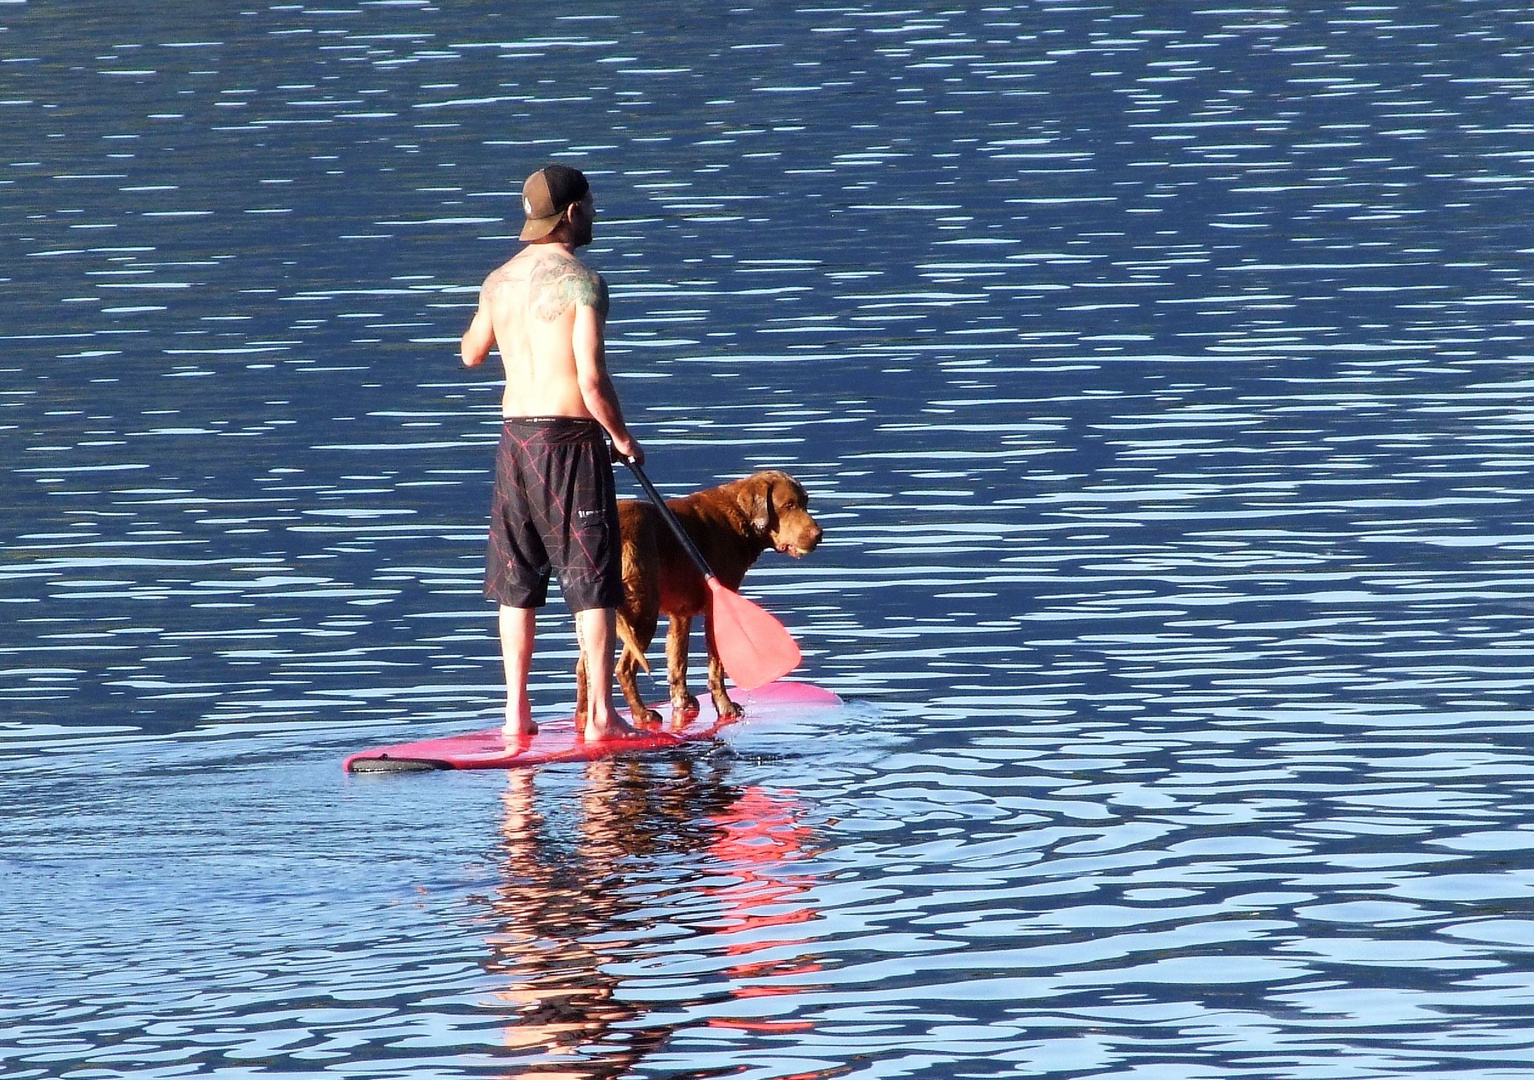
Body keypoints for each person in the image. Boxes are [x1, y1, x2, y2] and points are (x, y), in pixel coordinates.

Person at [460, 164, 645, 742]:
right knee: (593, 581)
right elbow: (590, 379)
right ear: (571, 214)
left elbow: (470, 353)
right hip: (569, 441)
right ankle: (599, 716)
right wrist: (622, 437)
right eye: (590, 206)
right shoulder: (584, 281)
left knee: (517, 583)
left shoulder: (497, 280)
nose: (593, 215)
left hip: (515, 440)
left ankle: (517, 714)